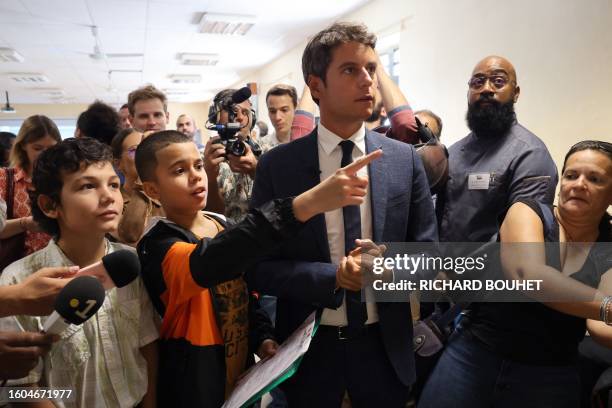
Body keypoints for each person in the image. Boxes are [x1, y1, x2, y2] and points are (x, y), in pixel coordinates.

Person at [246, 22, 437, 407]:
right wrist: (332, 276)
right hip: (309, 351)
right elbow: (258, 266)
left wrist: (392, 269)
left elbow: (429, 255)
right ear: (316, 86)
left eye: (371, 68)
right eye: (350, 70)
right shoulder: (278, 167)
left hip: (386, 349)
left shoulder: (403, 162)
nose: (367, 81)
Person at [134, 130, 382, 407]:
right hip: (195, 388)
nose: (195, 176)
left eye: (198, 165)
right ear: (153, 190)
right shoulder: (157, 246)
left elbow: (245, 294)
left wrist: (261, 337)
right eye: (179, 170)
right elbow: (211, 261)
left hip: (239, 381)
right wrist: (304, 205)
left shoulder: (220, 224)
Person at [419, 140, 612, 408]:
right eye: (571, 175)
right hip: (475, 359)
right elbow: (528, 275)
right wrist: (605, 306)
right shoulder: (528, 213)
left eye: (595, 179)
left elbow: (599, 326)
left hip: (551, 377)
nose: (579, 184)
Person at [0, 137, 159, 408]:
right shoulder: (19, 282)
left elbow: (147, 346)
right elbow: (22, 389)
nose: (109, 196)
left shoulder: (130, 263)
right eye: (87, 186)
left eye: (113, 184)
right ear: (51, 206)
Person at [436, 55, 558, 244]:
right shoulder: (452, 152)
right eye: (477, 82)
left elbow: (520, 239)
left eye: (498, 81)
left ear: (516, 93)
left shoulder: (531, 154)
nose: (486, 88)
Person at [0, 115, 61, 256]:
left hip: (60, 261)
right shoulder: (4, 178)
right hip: (16, 265)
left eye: (51, 148)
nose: (45, 154)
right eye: (38, 148)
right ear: (23, 146)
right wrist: (25, 223)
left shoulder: (63, 178)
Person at [204, 88, 263, 222]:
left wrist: (256, 169)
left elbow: (279, 200)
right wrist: (210, 178)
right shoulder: (204, 159)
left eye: (245, 112)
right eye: (233, 111)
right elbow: (212, 216)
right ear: (216, 117)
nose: (240, 117)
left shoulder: (268, 152)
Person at [111, 128, 164, 245]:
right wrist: (144, 171)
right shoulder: (113, 201)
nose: (145, 155)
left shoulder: (166, 195)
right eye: (135, 150)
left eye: (148, 149)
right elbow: (132, 237)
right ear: (118, 163)